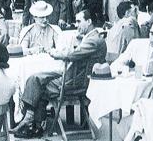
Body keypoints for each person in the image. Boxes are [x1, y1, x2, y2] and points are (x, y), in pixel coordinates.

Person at [13, 10, 106, 138]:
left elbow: (72, 55)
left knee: (37, 83)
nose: (77, 24)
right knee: (36, 78)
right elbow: (76, 53)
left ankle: (32, 122)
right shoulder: (92, 38)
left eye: (79, 21)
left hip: (74, 82)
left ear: (89, 21)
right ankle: (34, 123)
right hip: (75, 77)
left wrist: (55, 53)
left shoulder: (93, 40)